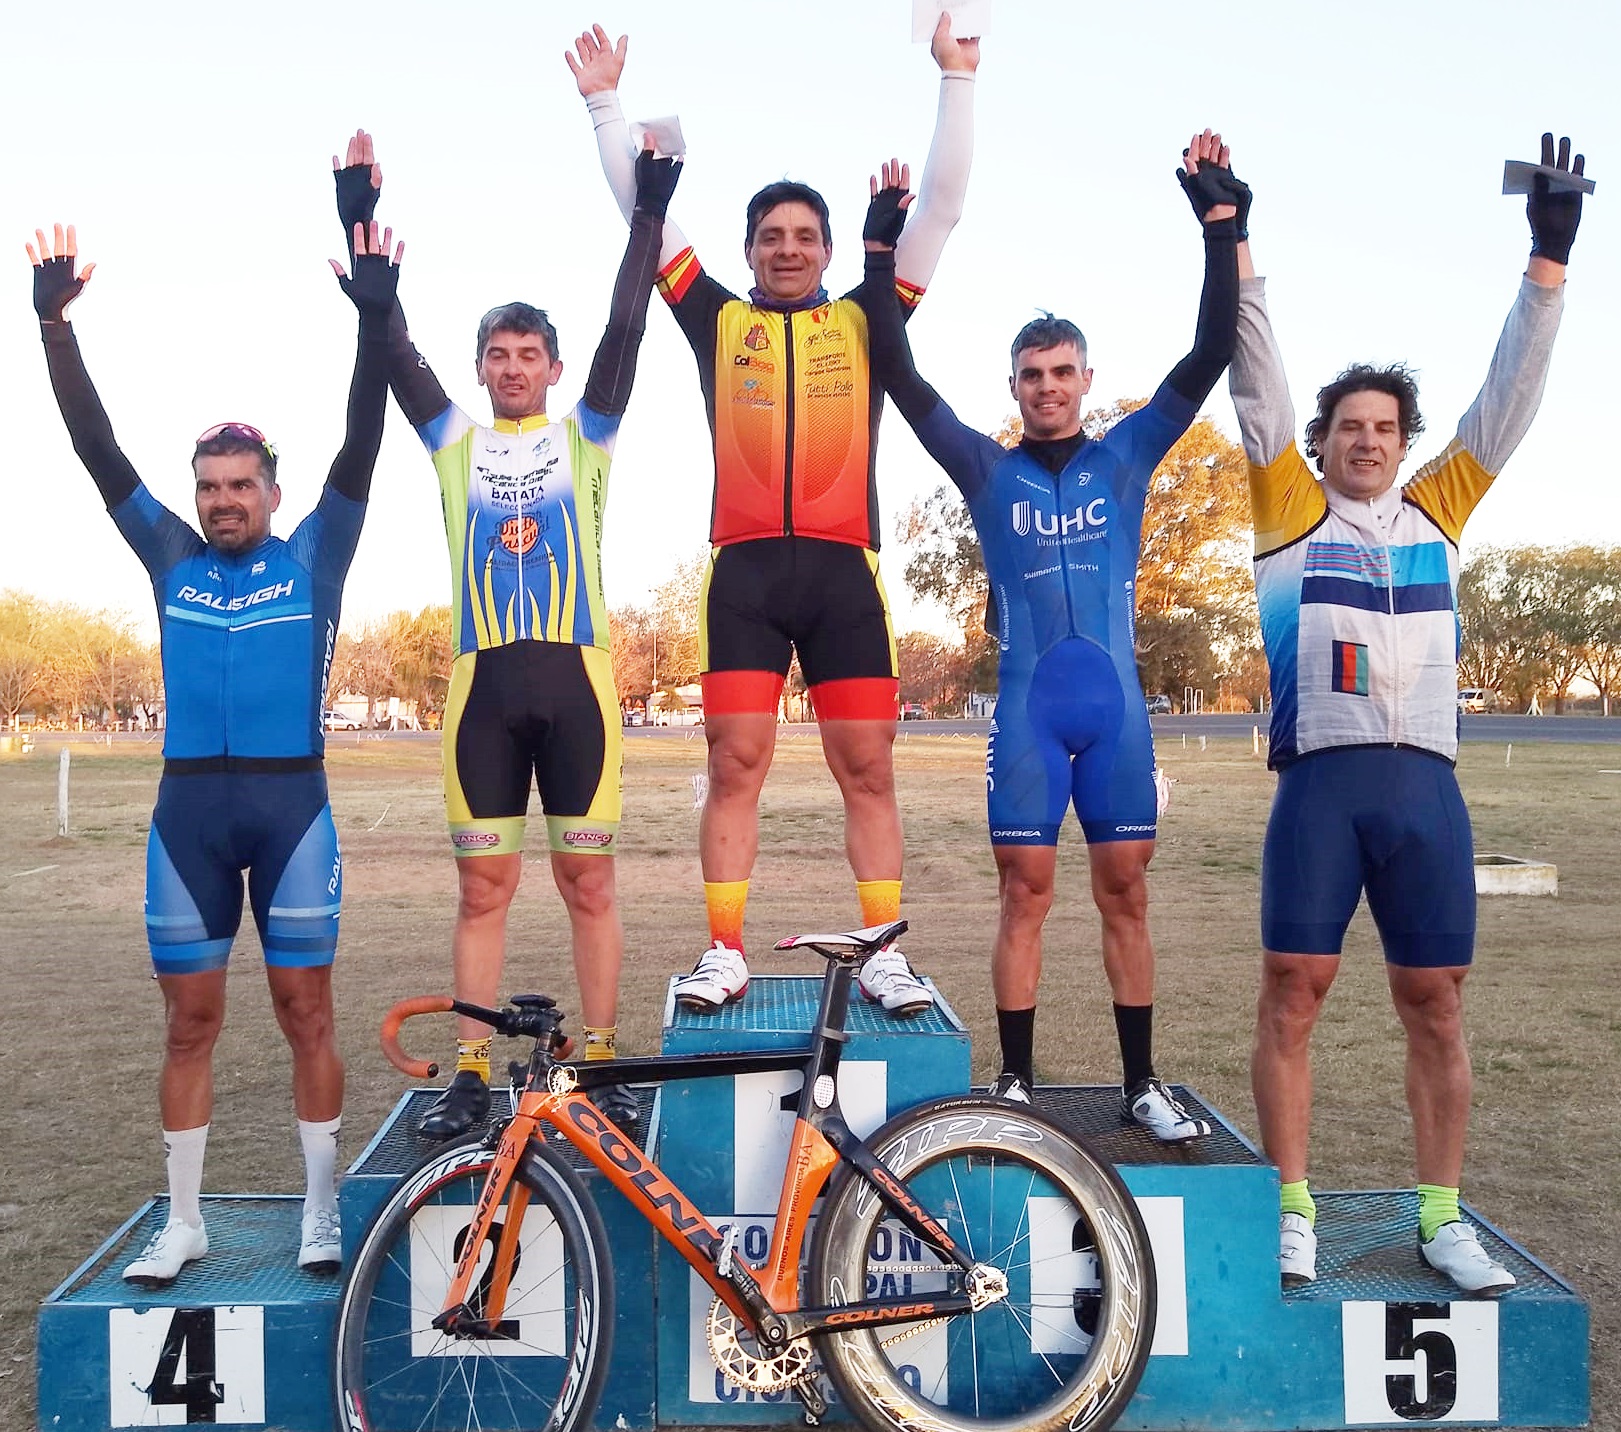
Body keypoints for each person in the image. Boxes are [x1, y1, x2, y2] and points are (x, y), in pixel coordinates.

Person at [1229, 132, 1585, 1293]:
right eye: (1348, 428)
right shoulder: (1287, 510)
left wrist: (1546, 265)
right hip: (1321, 788)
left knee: (1434, 1004)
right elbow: (1258, 385)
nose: (1366, 440)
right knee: (1293, 992)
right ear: (1323, 444)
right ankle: (1292, 1206)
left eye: (1383, 427)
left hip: (1426, 788)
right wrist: (1234, 251)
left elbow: (1504, 406)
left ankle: (1441, 1215)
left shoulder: (1442, 507)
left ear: (1404, 442)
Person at [566, 19, 979, 1013]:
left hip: (843, 573)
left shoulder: (867, 317)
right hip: (745, 572)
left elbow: (944, 211)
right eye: (770, 237)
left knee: (866, 764)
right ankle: (723, 948)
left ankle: (880, 947)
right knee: (734, 760)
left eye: (804, 237)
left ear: (830, 250)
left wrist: (956, 79)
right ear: (749, 251)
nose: (787, 249)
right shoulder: (717, 318)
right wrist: (605, 104)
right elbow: (645, 218)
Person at [30, 217, 402, 1281]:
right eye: (210, 486)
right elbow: (95, 450)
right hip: (186, 818)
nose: (224, 501)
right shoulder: (170, 560)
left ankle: (320, 1212)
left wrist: (375, 320)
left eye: (242, 485)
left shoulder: (319, 552)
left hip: (292, 813)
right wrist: (56, 327)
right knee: (189, 1024)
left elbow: (360, 438)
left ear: (272, 492)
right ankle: (184, 1218)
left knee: (304, 1012)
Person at [863, 133, 1243, 1139]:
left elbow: (1209, 352)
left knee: (1125, 892)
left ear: (1085, 378)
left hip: (1113, 716)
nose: (1045, 387)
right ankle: (1019, 1080)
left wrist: (1220, 228)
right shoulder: (987, 473)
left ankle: (1140, 1084)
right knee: (1023, 892)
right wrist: (876, 256)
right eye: (1029, 374)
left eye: (1061, 371)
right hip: (1031, 716)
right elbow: (896, 375)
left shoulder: (1127, 455)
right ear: (1014, 386)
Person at [332, 131, 680, 1138]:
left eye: (531, 354)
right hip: (481, 687)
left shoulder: (590, 434)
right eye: (499, 353)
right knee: (484, 888)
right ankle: (474, 1069)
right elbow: (391, 342)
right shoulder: (453, 440)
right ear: (481, 366)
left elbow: (630, 320)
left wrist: (649, 209)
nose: (515, 366)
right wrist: (358, 216)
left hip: (578, 681)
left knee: (590, 880)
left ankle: (603, 1064)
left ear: (554, 366)